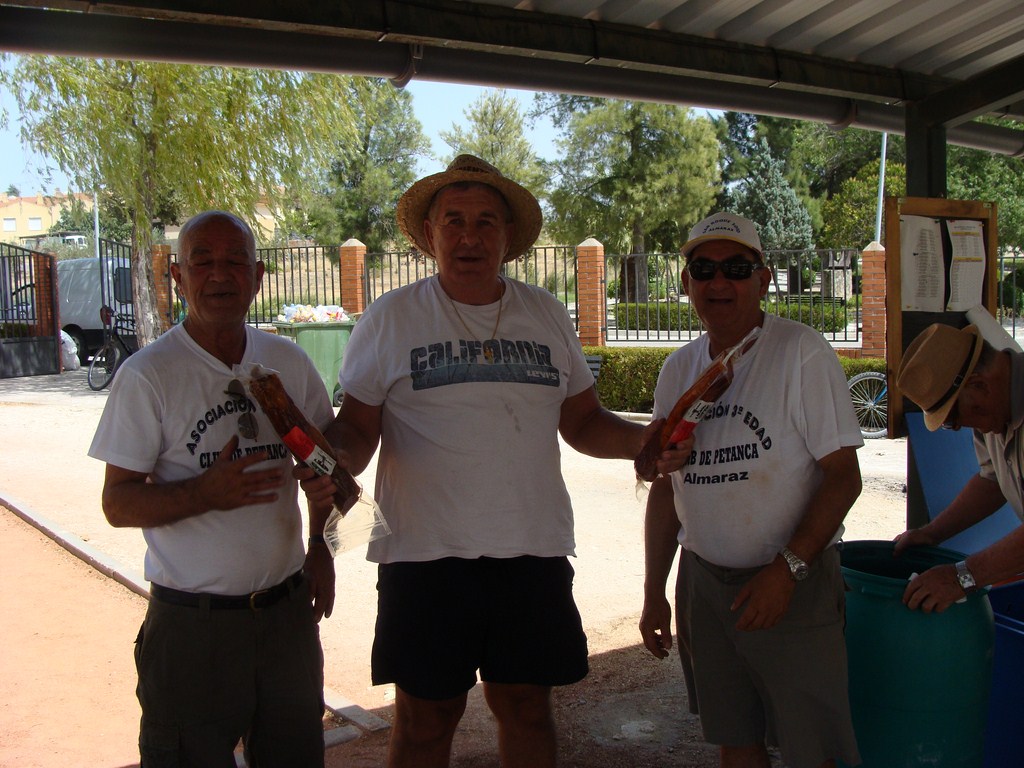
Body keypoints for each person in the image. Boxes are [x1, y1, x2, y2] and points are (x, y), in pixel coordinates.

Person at [305, 154, 686, 768]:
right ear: (429, 234)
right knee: (425, 718)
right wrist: (333, 460)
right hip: (423, 555)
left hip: (530, 549)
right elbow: (355, 428)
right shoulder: (391, 317)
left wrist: (643, 442)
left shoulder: (546, 313)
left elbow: (583, 421)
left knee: (527, 707)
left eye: (486, 221)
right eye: (453, 221)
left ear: (508, 236)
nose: (469, 236)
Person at [88, 210, 336, 767]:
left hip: (286, 621)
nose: (219, 274)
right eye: (202, 261)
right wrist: (204, 493)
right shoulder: (149, 374)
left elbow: (323, 467)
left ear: (258, 276)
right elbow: (117, 502)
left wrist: (320, 544)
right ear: (178, 277)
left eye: (234, 261)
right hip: (192, 629)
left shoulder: (288, 363)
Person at [638, 212, 863, 768]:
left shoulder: (801, 352)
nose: (719, 282)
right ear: (686, 281)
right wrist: (654, 590)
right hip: (704, 585)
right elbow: (666, 490)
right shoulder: (678, 369)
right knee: (734, 738)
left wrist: (787, 571)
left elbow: (844, 476)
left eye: (736, 268)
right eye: (703, 269)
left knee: (813, 748)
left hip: (793, 582)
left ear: (762, 280)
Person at [894, 322, 1024, 612]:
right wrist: (932, 533)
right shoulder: (992, 409)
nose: (955, 427)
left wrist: (962, 577)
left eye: (952, 416)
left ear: (978, 384)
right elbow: (992, 481)